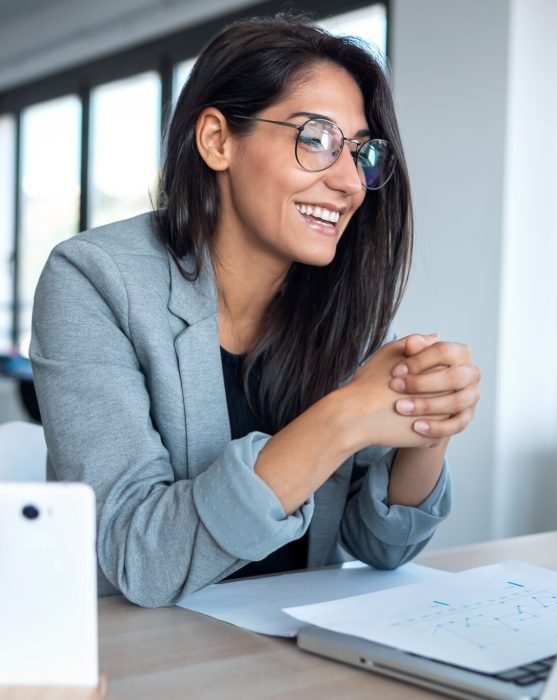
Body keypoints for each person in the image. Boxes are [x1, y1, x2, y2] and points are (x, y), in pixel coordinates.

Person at [30, 16, 480, 608]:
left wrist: (427, 422)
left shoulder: (339, 304)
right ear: (217, 140)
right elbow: (136, 558)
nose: (350, 182)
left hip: (290, 652)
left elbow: (380, 546)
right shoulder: (93, 279)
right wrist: (342, 418)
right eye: (315, 138)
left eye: (362, 152)